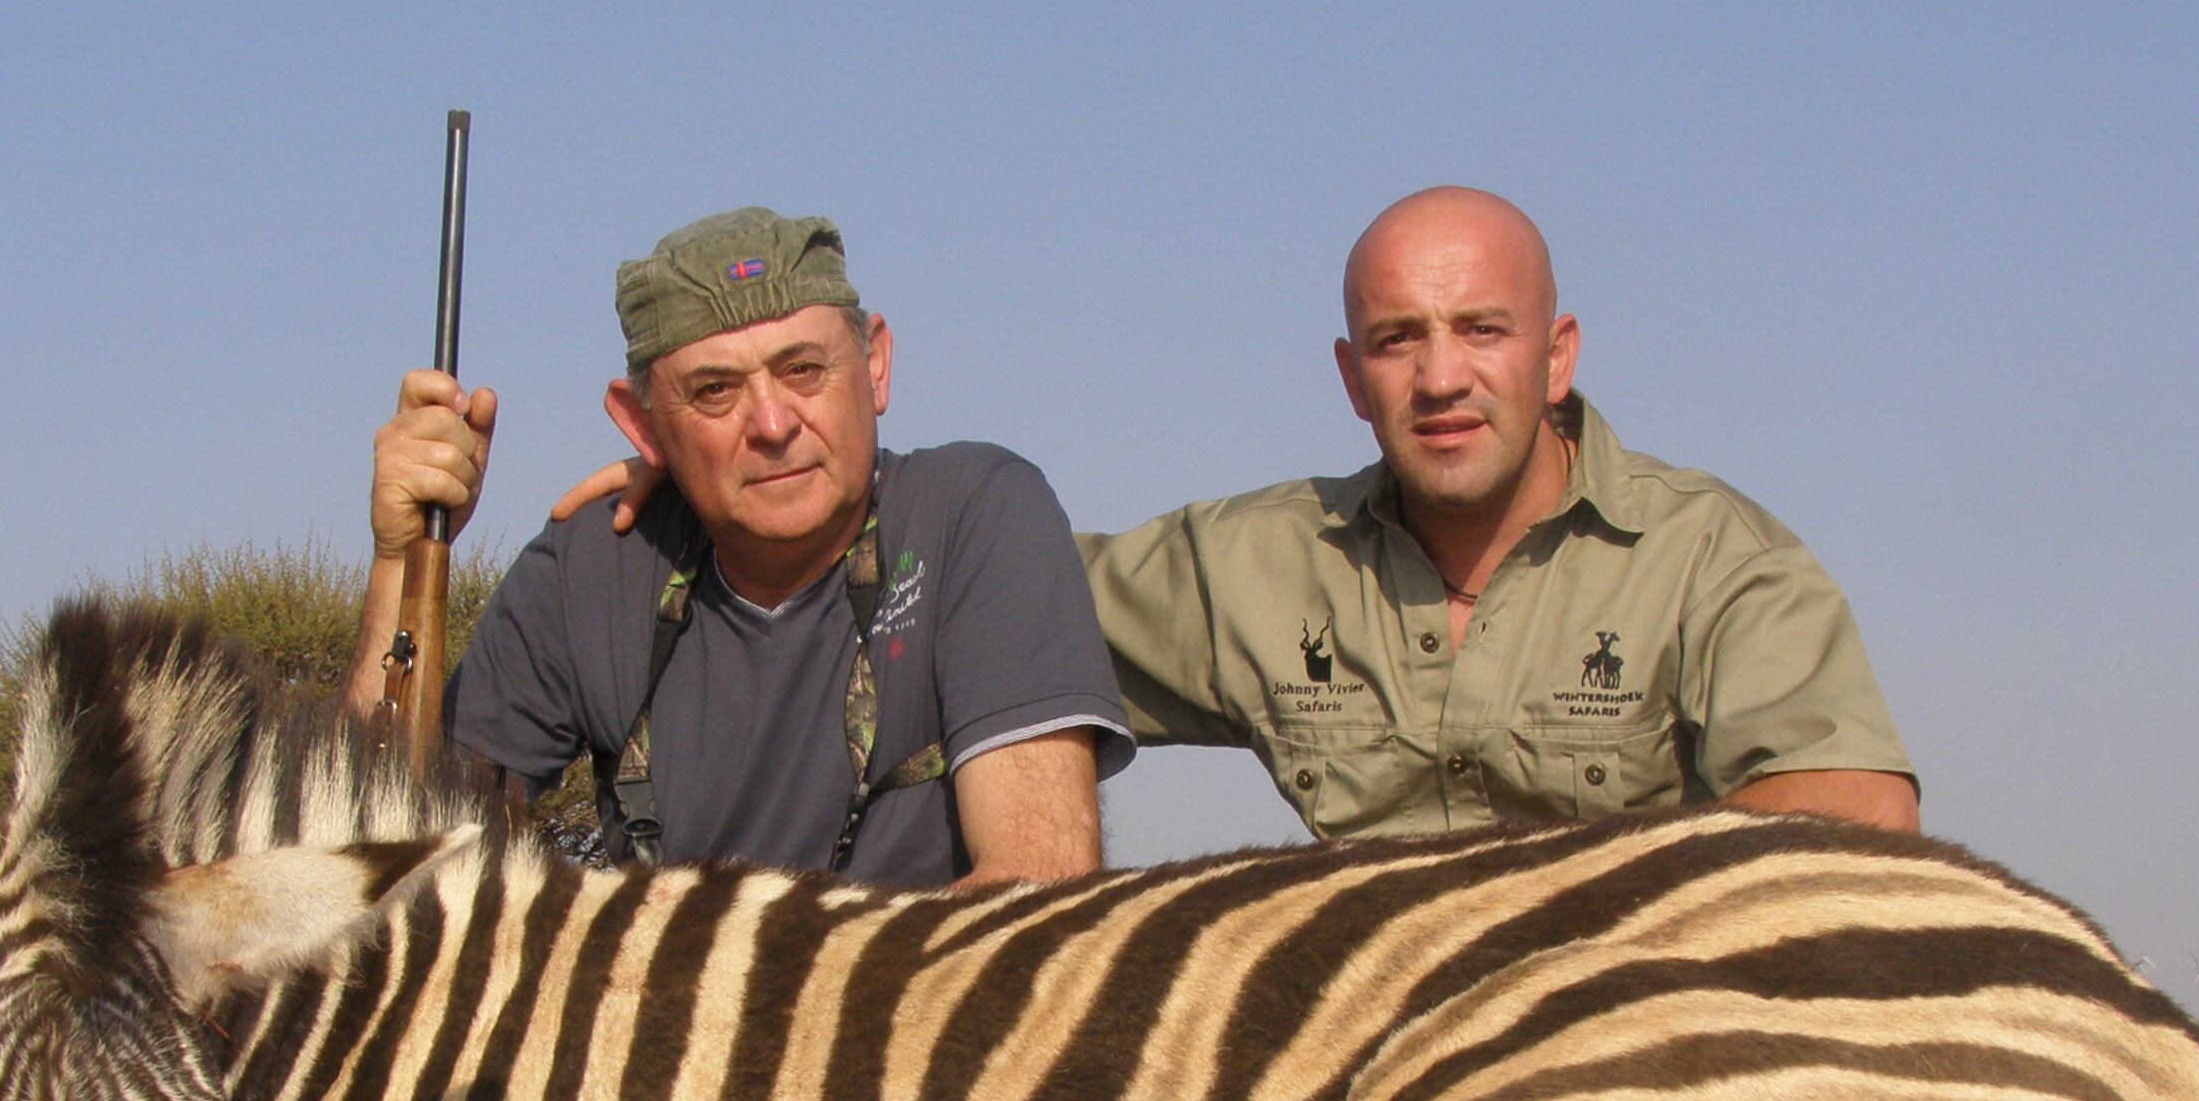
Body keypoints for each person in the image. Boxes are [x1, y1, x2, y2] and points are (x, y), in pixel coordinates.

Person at [1078, 187, 1917, 839]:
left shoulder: (1709, 557)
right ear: (1350, 379)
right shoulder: (1254, 566)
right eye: (1397, 339)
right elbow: (997, 606)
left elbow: (1861, 811)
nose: (1441, 378)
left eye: (1482, 330)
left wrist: (1533, 921)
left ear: (1555, 358)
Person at [347, 208, 1129, 886]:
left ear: (877, 365)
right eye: (715, 391)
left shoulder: (978, 511)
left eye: (804, 369)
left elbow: (1038, 888)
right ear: (644, 423)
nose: (773, 424)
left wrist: (726, 990)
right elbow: (382, 851)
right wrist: (399, 561)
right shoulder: (582, 569)